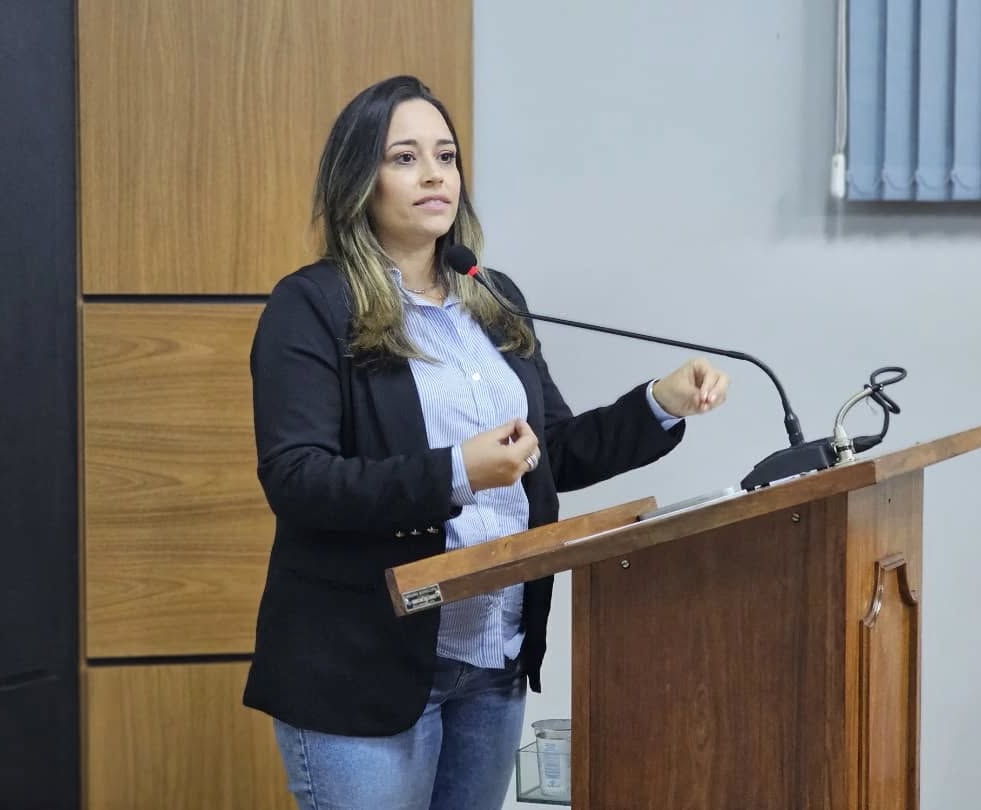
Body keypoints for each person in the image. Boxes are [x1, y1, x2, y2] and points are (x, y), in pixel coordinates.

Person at [242, 75, 730, 810]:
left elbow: (551, 451)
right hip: (362, 664)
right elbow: (299, 479)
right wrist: (457, 472)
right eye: (404, 158)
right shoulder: (311, 306)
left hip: (493, 661)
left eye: (446, 156)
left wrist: (659, 405)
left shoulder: (491, 294)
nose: (434, 174)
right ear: (358, 181)